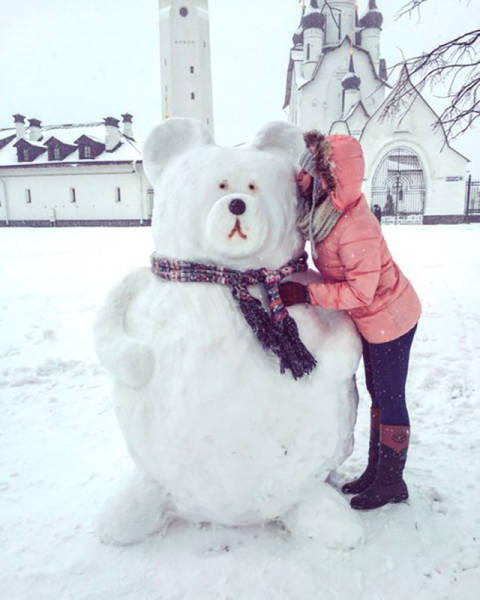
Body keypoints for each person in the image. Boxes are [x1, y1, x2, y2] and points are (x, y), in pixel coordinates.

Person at [280, 132, 421, 510]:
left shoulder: (355, 225)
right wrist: (300, 174)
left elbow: (361, 292)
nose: (309, 182)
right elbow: (305, 184)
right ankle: (378, 471)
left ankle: (391, 481)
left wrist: (308, 295)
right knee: (379, 390)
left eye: (318, 174)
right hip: (372, 320)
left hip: (392, 317)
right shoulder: (327, 212)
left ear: (335, 179)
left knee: (389, 395)